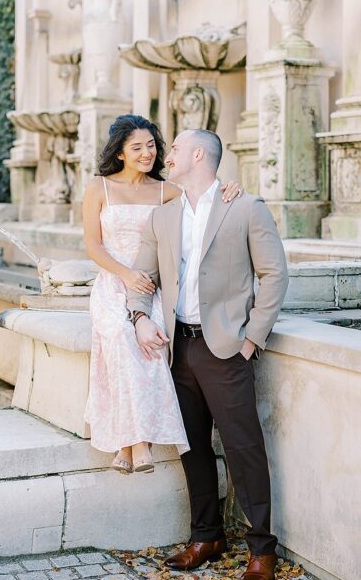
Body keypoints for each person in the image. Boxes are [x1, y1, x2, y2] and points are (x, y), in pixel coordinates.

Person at [126, 129, 289, 580]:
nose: (166, 153)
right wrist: (138, 318)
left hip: (226, 348)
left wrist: (251, 340)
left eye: (174, 148)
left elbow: (273, 274)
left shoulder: (245, 207)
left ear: (198, 155)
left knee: (243, 448)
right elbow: (142, 277)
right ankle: (207, 537)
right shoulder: (163, 217)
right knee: (192, 447)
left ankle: (261, 549)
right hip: (178, 348)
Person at [82, 114, 242, 474]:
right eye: (137, 147)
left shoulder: (165, 190)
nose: (147, 153)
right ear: (120, 152)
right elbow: (92, 246)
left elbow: (207, 195)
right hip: (113, 282)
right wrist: (126, 275)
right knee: (122, 336)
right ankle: (138, 443)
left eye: (152, 145)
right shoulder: (99, 188)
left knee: (152, 338)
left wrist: (233, 188)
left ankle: (128, 446)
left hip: (152, 287)